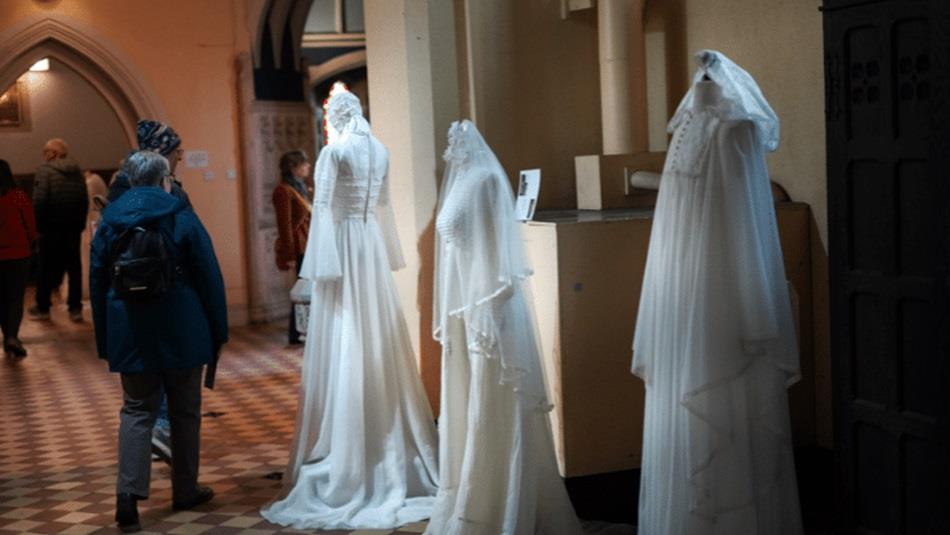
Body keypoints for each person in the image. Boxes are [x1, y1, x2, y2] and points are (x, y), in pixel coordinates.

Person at [631, 50, 802, 534]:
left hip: (715, 295)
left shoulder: (736, 129)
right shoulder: (689, 130)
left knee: (723, 408)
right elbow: (698, 228)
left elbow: (747, 225)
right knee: (692, 407)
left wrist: (753, 313)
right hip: (691, 294)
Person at [261, 91, 438, 530]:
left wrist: (317, 272)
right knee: (374, 330)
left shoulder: (334, 153)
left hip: (341, 249)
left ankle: (350, 450)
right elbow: (384, 208)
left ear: (337, 118)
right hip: (370, 249)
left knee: (346, 334)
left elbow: (322, 212)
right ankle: (385, 436)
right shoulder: (380, 150)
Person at [427, 120, 584, 535]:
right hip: (468, 306)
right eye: (449, 142)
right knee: (473, 398)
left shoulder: (485, 181)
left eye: (457, 141)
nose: (451, 147)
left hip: (491, 307)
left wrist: (485, 306)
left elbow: (499, 253)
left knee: (496, 398)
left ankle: (507, 502)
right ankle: (476, 494)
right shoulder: (460, 181)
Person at [90, 150, 228, 533]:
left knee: (136, 411)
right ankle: (185, 489)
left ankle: (127, 495)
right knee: (185, 411)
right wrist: (218, 330)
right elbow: (208, 274)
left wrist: (106, 340)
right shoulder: (180, 214)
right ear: (164, 178)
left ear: (130, 180)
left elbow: (97, 282)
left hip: (130, 330)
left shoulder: (110, 221)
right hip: (183, 327)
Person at [108, 119, 190, 464]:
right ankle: (167, 439)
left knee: (138, 393)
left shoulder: (118, 191)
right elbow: (191, 244)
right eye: (175, 151)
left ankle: (130, 489)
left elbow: (103, 255)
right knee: (167, 372)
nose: (181, 156)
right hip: (166, 294)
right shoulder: (168, 194)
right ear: (160, 154)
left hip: (127, 301)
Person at [28, 138, 88, 322]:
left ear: (52, 153)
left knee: (45, 268)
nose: (44, 156)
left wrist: (37, 227)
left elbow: (39, 202)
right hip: (72, 229)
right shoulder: (77, 172)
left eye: (46, 152)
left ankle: (43, 307)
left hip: (50, 229)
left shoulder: (45, 171)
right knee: (74, 268)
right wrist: (79, 225)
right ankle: (75, 308)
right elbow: (83, 200)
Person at [272, 149, 312, 345]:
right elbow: (285, 225)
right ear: (293, 168)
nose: (308, 167)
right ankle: (296, 333)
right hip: (299, 246)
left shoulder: (302, 187)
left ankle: (302, 330)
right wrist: (288, 253)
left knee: (306, 288)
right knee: (301, 288)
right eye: (304, 164)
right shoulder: (283, 191)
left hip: (308, 243)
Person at [0, 159, 37, 358]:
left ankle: (7, 335)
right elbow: (30, 224)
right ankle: (12, 336)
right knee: (15, 298)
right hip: (18, 254)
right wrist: (32, 240)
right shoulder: (19, 196)